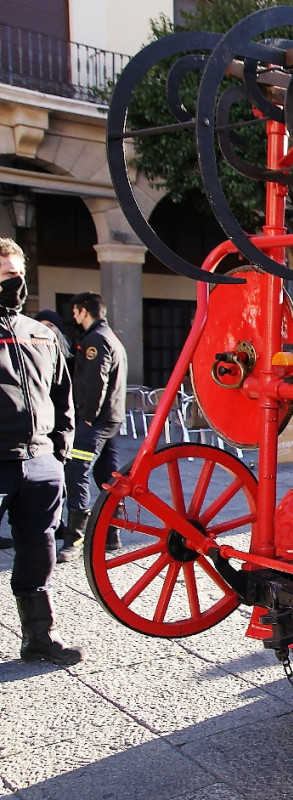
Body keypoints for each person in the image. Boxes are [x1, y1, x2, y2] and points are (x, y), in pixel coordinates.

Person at [0, 238, 82, 664]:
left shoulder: (40, 334)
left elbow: (63, 395)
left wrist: (59, 451)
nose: (10, 283)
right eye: (2, 275)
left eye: (15, 274)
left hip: (40, 461)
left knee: (39, 551)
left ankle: (37, 638)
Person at [58, 292, 127, 563]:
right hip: (112, 418)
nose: (73, 318)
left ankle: (74, 539)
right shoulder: (111, 336)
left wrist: (86, 416)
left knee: (77, 472)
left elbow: (97, 379)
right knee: (107, 477)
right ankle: (112, 535)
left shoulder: (96, 340)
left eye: (75, 313)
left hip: (95, 421)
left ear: (82, 310)